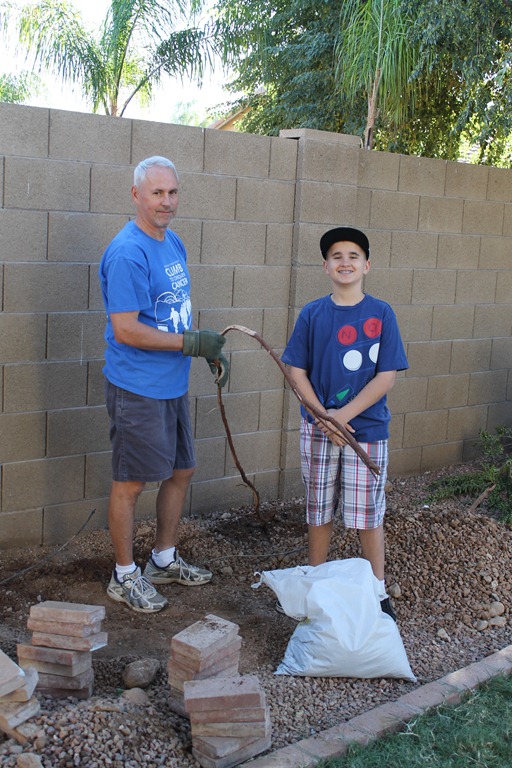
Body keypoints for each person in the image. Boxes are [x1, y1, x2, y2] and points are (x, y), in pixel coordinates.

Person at [98, 155, 229, 614]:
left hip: (171, 383)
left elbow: (173, 311)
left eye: (172, 192)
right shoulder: (127, 252)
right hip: (137, 387)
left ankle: (162, 559)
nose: (166, 201)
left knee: (181, 470)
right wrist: (191, 343)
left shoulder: (172, 242)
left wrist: (204, 350)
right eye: (157, 193)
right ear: (137, 195)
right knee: (131, 483)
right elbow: (126, 329)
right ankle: (123, 575)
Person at [281, 226, 408, 620]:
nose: (345, 262)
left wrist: (341, 417)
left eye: (354, 256)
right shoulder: (312, 314)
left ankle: (377, 591)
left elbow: (386, 377)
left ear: (367, 265)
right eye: (336, 256)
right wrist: (324, 417)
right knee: (318, 510)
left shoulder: (381, 313)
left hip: (365, 431)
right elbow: (295, 371)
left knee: (367, 515)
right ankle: (315, 585)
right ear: (325, 266)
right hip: (318, 431)